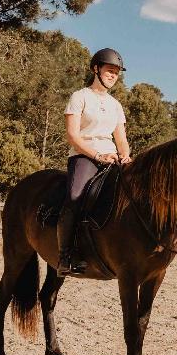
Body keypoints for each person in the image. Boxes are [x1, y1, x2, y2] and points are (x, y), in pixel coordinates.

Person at [58, 48, 132, 275]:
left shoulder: (116, 105)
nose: (113, 76)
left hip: (112, 159)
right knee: (74, 197)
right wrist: (97, 156)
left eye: (116, 73)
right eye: (109, 71)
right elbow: (73, 136)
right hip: (85, 157)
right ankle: (65, 256)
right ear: (95, 69)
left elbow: (121, 139)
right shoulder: (79, 97)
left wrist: (126, 156)